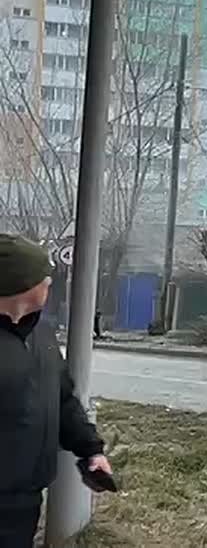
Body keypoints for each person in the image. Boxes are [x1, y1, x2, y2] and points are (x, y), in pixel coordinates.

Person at [0, 234, 112, 547]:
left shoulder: (41, 333)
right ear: (19, 285)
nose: (50, 281)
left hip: (26, 499)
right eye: (43, 276)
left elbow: (62, 399)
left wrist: (91, 449)